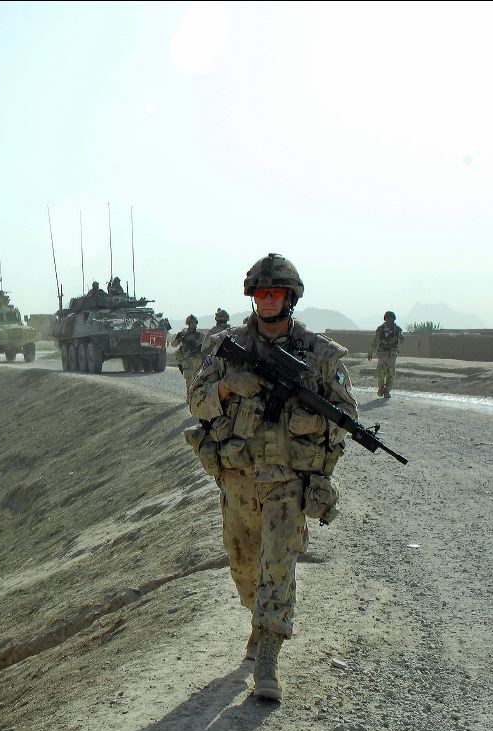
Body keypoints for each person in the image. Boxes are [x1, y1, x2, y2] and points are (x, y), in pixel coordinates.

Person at [186, 253, 358, 703]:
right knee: (244, 564)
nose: (266, 301)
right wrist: (225, 388)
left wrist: (310, 421)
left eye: (275, 293)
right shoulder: (229, 345)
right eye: (261, 293)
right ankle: (256, 622)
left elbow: (346, 416)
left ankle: (268, 658)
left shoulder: (319, 355)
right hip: (240, 476)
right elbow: (196, 403)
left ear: (290, 299)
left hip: (286, 480)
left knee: (277, 565)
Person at [368, 311, 404, 398]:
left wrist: (399, 337)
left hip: (392, 354)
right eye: (387, 318)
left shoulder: (397, 329)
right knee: (381, 373)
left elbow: (402, 340)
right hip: (382, 354)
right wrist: (370, 352)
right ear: (385, 318)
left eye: (391, 318)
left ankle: (387, 391)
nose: (389, 319)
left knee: (391, 374)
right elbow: (375, 341)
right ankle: (381, 389)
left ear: (393, 319)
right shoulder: (381, 329)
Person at [172, 314, 206, 386]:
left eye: (194, 322)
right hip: (187, 363)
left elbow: (207, 346)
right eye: (191, 322)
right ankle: (189, 397)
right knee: (189, 385)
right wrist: (177, 338)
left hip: (198, 363)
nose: (193, 324)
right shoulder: (183, 334)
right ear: (188, 323)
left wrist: (201, 349)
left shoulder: (201, 335)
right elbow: (173, 344)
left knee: (199, 385)